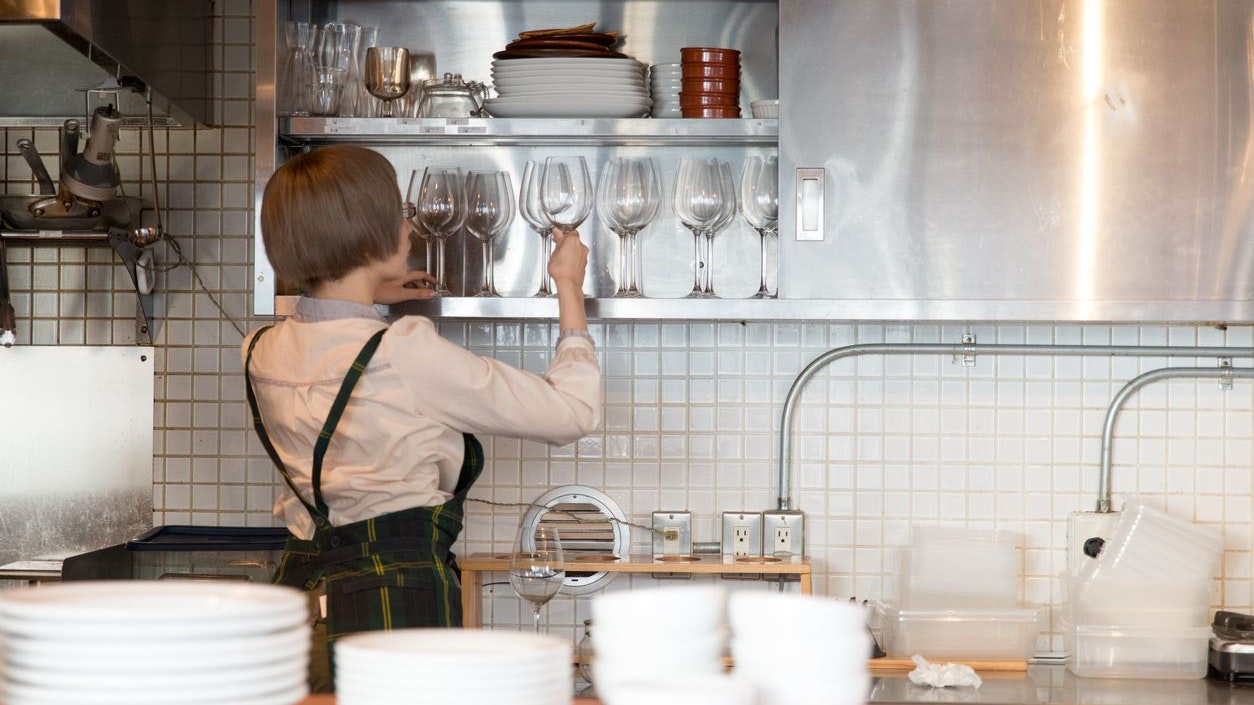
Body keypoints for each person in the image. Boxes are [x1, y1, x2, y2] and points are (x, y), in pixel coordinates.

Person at [242, 145, 601, 691]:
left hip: (301, 600)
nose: (408, 225)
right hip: (397, 596)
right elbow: (572, 413)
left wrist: (374, 289)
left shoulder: (259, 350)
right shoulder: (403, 349)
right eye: (398, 212)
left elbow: (328, 328)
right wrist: (568, 285)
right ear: (367, 238)